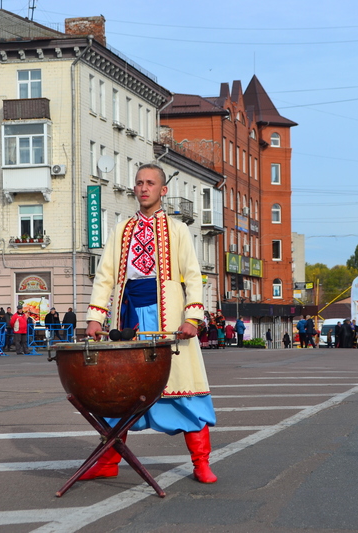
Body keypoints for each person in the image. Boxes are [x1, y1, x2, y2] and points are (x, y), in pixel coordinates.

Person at [83, 163, 217, 484]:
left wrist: (192, 317)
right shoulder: (120, 230)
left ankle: (201, 463)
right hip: (128, 318)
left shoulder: (178, 229)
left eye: (150, 183)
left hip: (168, 318)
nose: (144, 188)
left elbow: (193, 276)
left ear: (163, 190)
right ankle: (108, 462)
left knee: (183, 388)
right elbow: (105, 277)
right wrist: (94, 317)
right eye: (139, 183)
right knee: (119, 393)